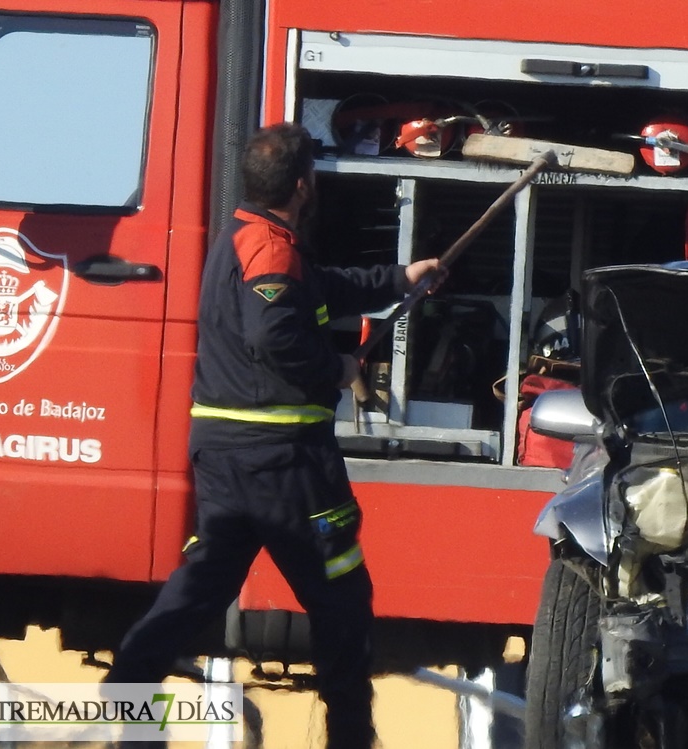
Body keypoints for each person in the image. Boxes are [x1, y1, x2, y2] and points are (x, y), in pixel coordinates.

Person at [105, 121, 443, 749]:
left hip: (227, 460)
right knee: (343, 601)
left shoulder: (244, 239)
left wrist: (400, 277)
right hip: (285, 465)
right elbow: (274, 333)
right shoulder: (270, 248)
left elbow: (313, 291)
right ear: (303, 185)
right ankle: (349, 738)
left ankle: (128, 695)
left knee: (199, 591)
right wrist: (336, 369)